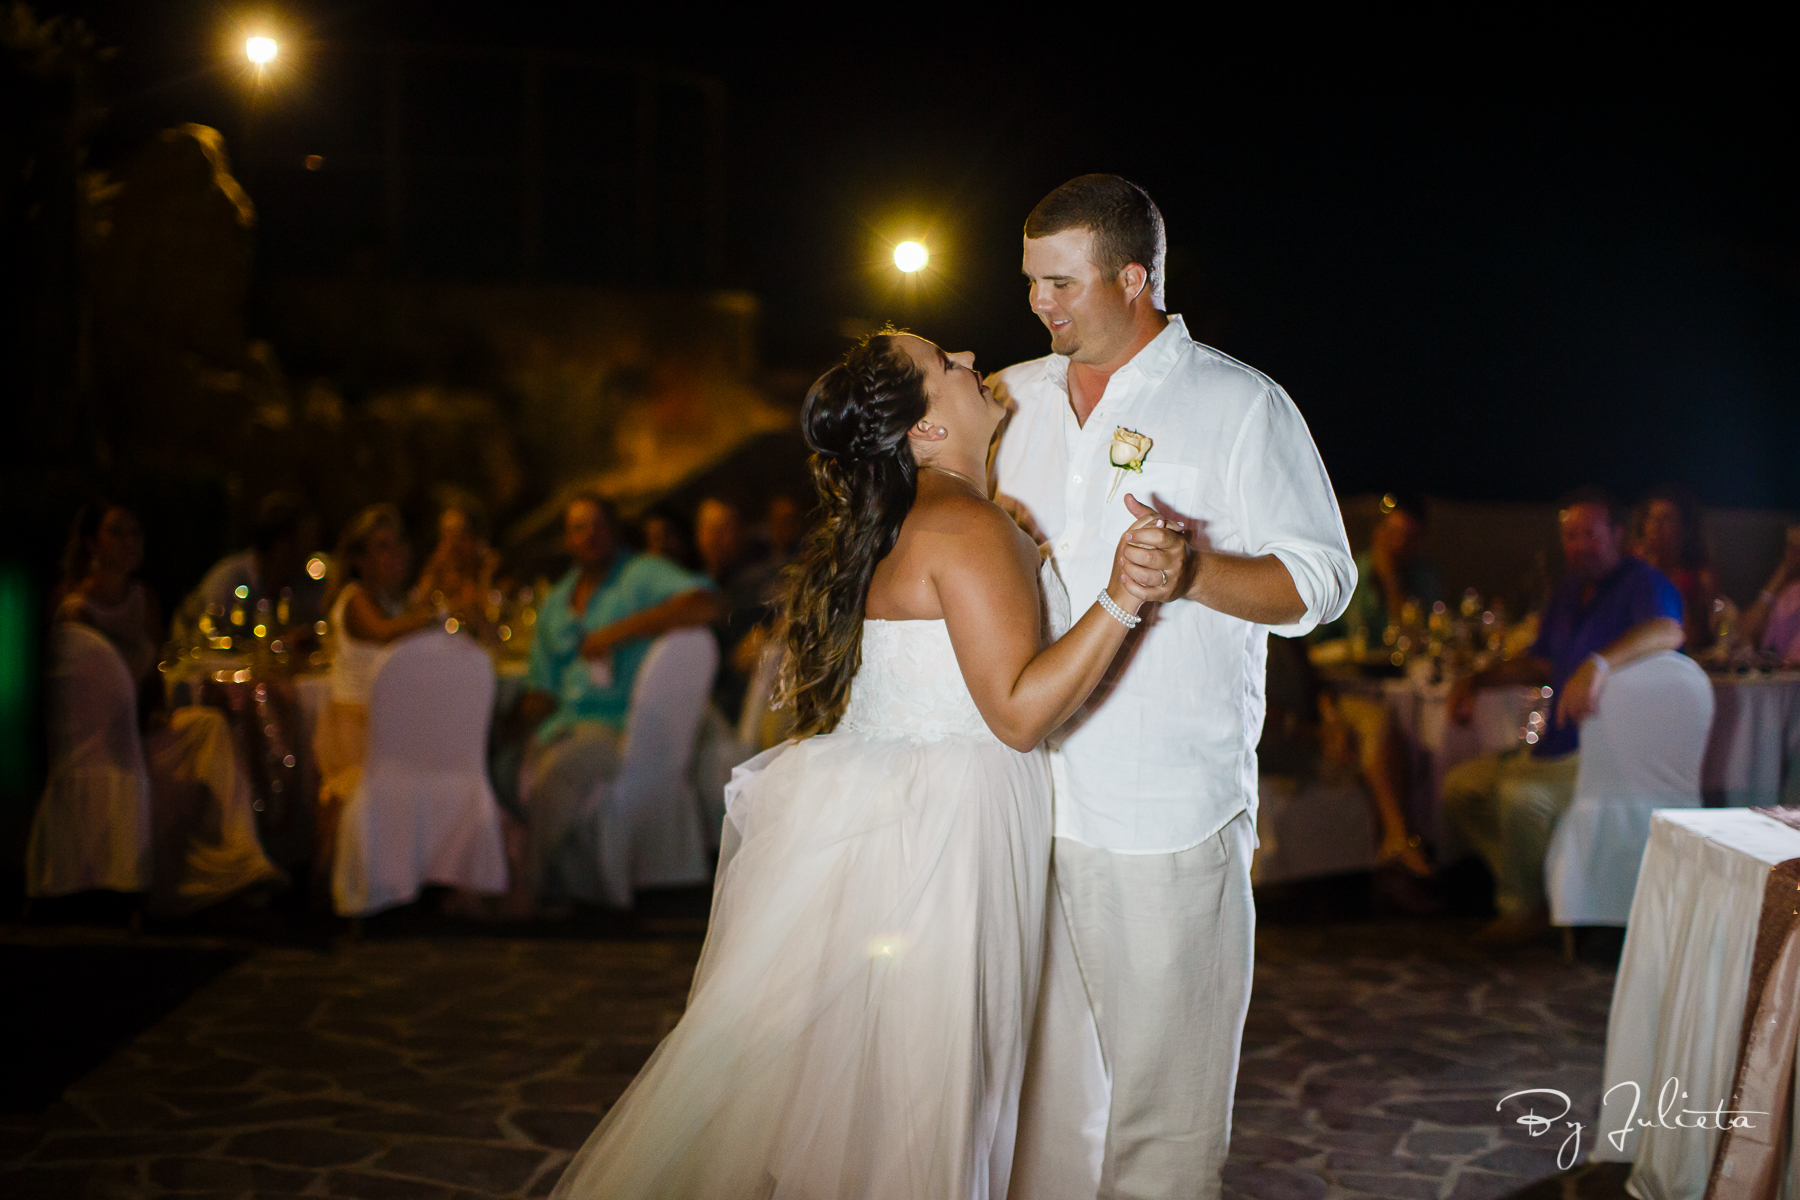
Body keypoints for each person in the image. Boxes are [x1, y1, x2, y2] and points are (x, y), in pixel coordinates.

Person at [551, 331, 1159, 1199]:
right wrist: (1124, 597)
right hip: (953, 836)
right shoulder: (966, 528)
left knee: (882, 1104)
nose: (966, 356)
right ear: (923, 431)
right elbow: (1021, 716)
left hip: (887, 826)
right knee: (936, 1103)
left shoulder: (917, 527)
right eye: (943, 364)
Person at [990, 174, 1356, 1199]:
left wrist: (1195, 572)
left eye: (1060, 283)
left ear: (1134, 277)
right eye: (1029, 282)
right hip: (1018, 798)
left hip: (1166, 807)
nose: (1039, 305)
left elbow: (1323, 580)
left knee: (1164, 1114)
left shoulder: (1238, 403)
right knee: (1037, 1101)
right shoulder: (1008, 400)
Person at [1442, 487, 1684, 946]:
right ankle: (1545, 892)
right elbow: (1541, 662)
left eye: (1590, 535)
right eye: (1570, 536)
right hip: (1554, 745)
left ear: (1617, 534)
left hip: (1610, 754)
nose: (1578, 546)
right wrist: (1476, 680)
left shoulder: (1643, 583)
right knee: (1461, 788)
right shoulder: (1570, 590)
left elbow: (1668, 630)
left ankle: (1520, 907)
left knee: (1519, 798)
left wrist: (1599, 663)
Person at [54, 502, 284, 913]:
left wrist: (160, 707)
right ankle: (204, 876)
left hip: (141, 728)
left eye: (136, 533)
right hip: (104, 743)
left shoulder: (144, 600)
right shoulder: (76, 609)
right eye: (118, 533)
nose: (131, 542)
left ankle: (242, 864)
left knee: (210, 726)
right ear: (92, 543)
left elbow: (154, 677)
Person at [513, 493, 720, 902]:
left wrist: (619, 631)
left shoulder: (640, 575)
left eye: (598, 525)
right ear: (566, 539)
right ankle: (561, 885)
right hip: (563, 723)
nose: (589, 535)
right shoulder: (557, 601)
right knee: (504, 767)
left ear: (614, 530)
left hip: (620, 727)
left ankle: (526, 889)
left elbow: (706, 604)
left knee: (558, 770)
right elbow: (542, 688)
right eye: (578, 527)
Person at [313, 506, 445, 819]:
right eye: (383, 546)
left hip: (385, 724)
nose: (397, 551)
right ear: (360, 561)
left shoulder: (390, 601)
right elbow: (383, 633)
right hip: (356, 730)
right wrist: (436, 616)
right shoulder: (354, 599)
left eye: (399, 542)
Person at [168, 492, 325, 656]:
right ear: (281, 545)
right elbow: (210, 645)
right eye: (307, 540)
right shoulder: (230, 581)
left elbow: (315, 626)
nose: (312, 549)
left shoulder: (301, 582)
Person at [695, 496, 781, 722]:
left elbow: (799, 608)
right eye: (708, 529)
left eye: (724, 528)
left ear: (741, 531)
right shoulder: (692, 587)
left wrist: (770, 633)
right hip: (705, 701)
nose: (715, 538)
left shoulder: (765, 575)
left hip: (751, 701)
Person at [1631, 484, 1719, 652]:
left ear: (1684, 528)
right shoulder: (1630, 567)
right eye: (1651, 518)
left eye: (1666, 518)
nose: (1655, 526)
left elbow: (1707, 631)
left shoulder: (1700, 576)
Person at [411, 488, 500, 617]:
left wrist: (486, 573)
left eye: (458, 535)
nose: (451, 544)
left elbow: (486, 612)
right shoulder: (439, 571)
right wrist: (433, 569)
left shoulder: (492, 570)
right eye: (445, 535)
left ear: (476, 537)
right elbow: (416, 611)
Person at [1735, 524, 1800, 663]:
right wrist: (1784, 569)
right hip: (1789, 682)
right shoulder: (1791, 595)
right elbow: (1741, 636)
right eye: (1793, 549)